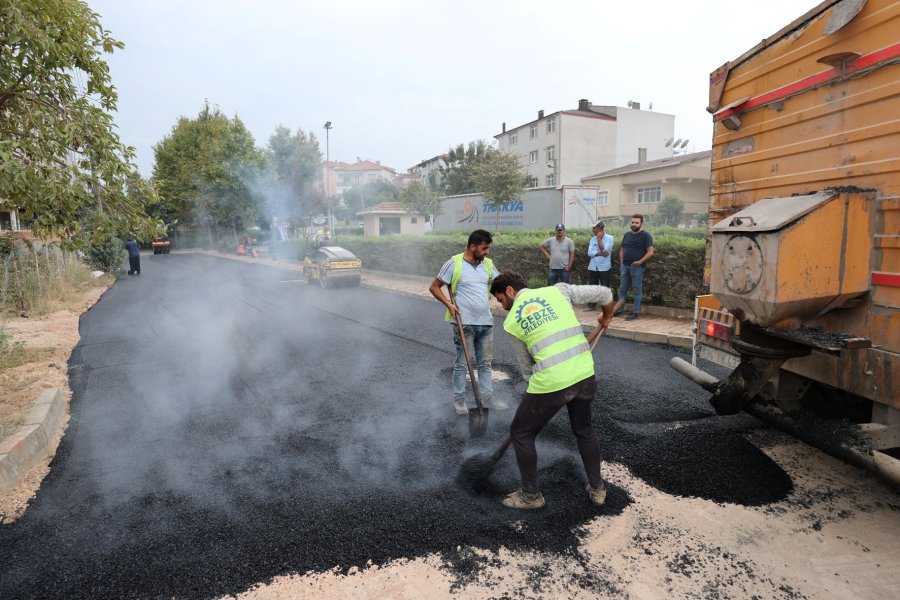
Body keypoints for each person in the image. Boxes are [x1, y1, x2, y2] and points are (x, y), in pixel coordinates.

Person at [490, 270, 615, 510]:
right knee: (584, 430)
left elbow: (528, 371)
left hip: (551, 383)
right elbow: (605, 294)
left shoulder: (512, 321)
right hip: (584, 374)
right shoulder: (559, 291)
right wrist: (606, 316)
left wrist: (538, 399)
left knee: (521, 432)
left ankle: (530, 497)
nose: (503, 306)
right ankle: (598, 489)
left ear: (509, 291)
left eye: (500, 300)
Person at [429, 229, 508, 415]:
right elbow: (434, 287)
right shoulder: (454, 263)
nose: (487, 251)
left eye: (488, 248)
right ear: (472, 246)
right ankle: (459, 401)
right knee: (462, 363)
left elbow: (499, 283)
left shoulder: (487, 264)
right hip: (463, 323)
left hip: (486, 323)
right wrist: (448, 304)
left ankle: (487, 399)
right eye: (484, 248)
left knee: (485, 364)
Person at [613, 214, 654, 321]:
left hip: (637, 268)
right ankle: (619, 310)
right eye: (633, 222)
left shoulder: (646, 236)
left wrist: (640, 262)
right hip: (625, 266)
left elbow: (650, 252)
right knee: (622, 290)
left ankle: (635, 312)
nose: (634, 224)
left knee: (637, 291)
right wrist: (622, 263)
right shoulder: (626, 235)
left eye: (637, 223)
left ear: (641, 224)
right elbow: (622, 249)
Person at [586, 221, 614, 309]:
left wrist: (599, 240)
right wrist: (600, 253)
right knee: (592, 287)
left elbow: (605, 250)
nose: (592, 230)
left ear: (600, 228)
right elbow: (590, 253)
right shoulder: (592, 239)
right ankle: (591, 306)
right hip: (593, 266)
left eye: (594, 228)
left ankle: (605, 306)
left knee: (605, 287)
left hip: (604, 267)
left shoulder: (609, 238)